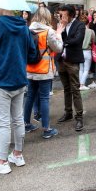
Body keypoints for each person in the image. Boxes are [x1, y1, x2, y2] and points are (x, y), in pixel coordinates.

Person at [0, 7, 36, 174]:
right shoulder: (24, 26)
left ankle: (1, 161)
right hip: (19, 79)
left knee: (2, 123)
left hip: (2, 80)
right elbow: (32, 54)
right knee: (17, 120)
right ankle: (17, 154)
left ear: (2, 8)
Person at [23, 7, 63, 139]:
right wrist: (59, 35)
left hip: (30, 68)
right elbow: (58, 48)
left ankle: (26, 123)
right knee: (44, 98)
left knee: (30, 96)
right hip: (44, 69)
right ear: (47, 17)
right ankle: (46, 129)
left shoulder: (28, 30)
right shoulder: (49, 31)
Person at [56, 4, 85, 131]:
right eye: (60, 14)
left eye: (63, 14)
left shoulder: (79, 25)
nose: (61, 17)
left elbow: (77, 40)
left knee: (75, 89)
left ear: (71, 15)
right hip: (61, 60)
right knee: (66, 89)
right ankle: (68, 112)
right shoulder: (60, 25)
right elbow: (56, 41)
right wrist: (60, 31)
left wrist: (62, 38)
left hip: (72, 61)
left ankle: (79, 117)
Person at [78, 14, 95, 90]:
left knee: (81, 69)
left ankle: (81, 84)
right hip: (87, 51)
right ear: (88, 23)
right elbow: (94, 41)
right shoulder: (91, 31)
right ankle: (82, 84)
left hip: (79, 51)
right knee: (86, 69)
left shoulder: (78, 31)